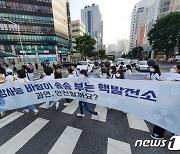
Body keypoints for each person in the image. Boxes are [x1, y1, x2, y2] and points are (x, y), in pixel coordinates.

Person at [151, 64, 180, 139]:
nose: (172, 68)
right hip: (172, 99)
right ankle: (174, 131)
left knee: (165, 115)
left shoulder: (176, 76)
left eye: (174, 67)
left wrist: (160, 80)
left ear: (178, 70)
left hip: (171, 99)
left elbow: (166, 82)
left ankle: (158, 133)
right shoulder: (172, 75)